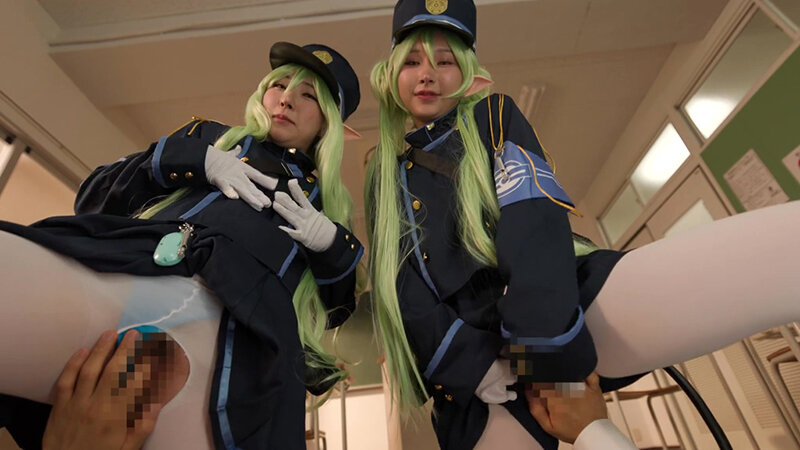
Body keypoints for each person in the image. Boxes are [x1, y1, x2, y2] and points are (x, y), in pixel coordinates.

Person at [365, 1, 800, 449]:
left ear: (471, 76)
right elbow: (400, 287)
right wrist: (468, 365)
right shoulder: (383, 173)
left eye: (445, 62)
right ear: (391, 75)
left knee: (787, 246)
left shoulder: (492, 116)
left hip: (560, 309)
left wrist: (543, 351)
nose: (427, 75)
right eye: (412, 62)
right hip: (479, 374)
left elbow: (532, 217)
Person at [0, 41, 364, 449]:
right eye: (279, 85)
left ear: (329, 124)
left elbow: (335, 309)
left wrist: (331, 244)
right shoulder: (207, 140)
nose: (286, 99)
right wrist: (194, 159)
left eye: (308, 95)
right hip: (134, 278)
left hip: (235, 347)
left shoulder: (328, 209)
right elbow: (95, 196)